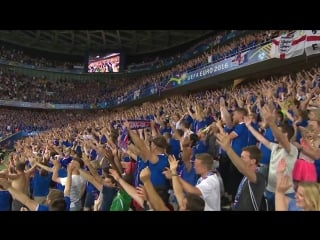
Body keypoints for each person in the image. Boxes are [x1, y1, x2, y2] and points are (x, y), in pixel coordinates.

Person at [216, 132, 266, 211]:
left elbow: (242, 168)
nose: (240, 159)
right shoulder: (245, 176)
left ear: (253, 161)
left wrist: (228, 149)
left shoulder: (259, 177)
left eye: (243, 157)